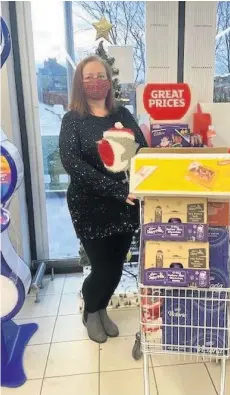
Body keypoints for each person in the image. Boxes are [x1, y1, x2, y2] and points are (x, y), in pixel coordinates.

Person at [59, 55, 147, 343]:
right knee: (102, 268)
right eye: (88, 77)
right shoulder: (73, 119)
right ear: (79, 84)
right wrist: (117, 190)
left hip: (125, 205)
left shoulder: (122, 114)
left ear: (109, 81)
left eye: (100, 76)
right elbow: (73, 164)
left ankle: (101, 308)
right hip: (90, 205)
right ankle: (91, 311)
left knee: (117, 265)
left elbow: (143, 151)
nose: (95, 82)